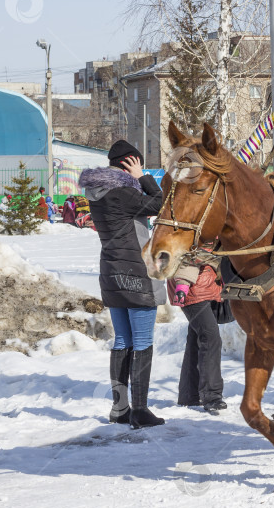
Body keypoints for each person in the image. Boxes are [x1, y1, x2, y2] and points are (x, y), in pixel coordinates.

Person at [78, 140, 166, 430]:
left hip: (111, 273)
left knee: (122, 341)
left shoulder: (98, 192)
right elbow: (160, 203)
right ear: (130, 163)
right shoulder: (124, 192)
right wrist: (143, 177)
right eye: (137, 163)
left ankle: (120, 409)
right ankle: (140, 410)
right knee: (142, 342)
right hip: (136, 272)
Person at [167, 243, 227, 414]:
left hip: (206, 288)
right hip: (192, 292)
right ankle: (212, 396)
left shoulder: (216, 234)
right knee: (210, 336)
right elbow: (186, 262)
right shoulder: (195, 232)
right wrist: (182, 286)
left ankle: (189, 394)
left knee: (196, 338)